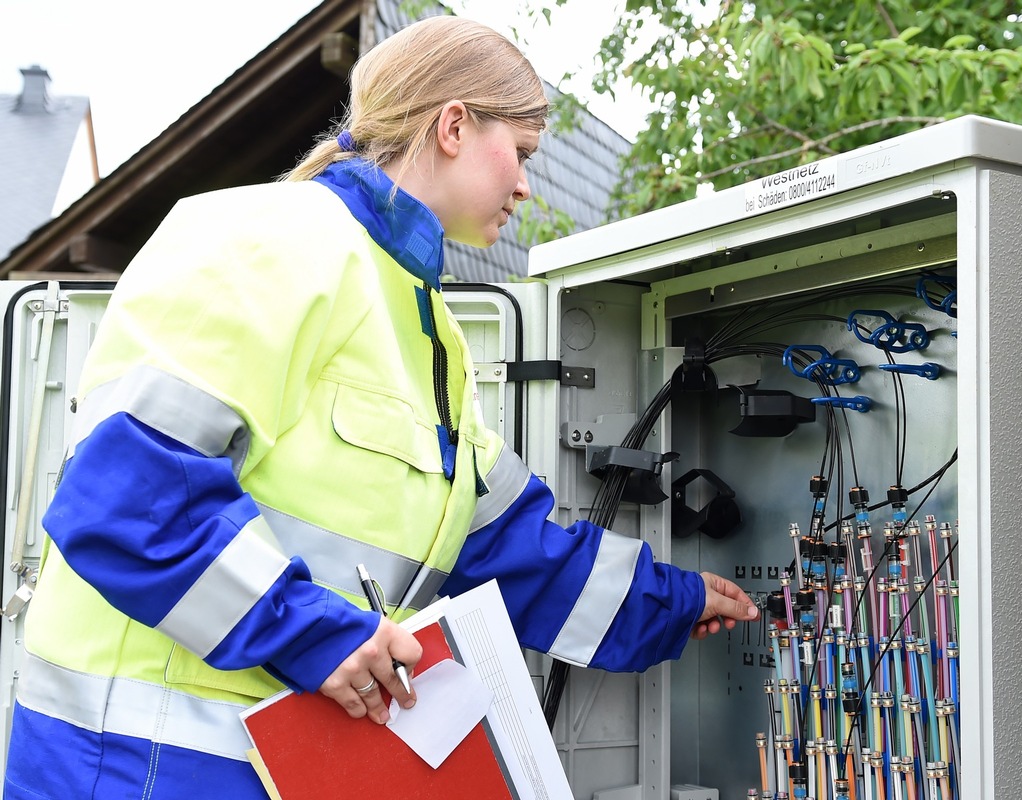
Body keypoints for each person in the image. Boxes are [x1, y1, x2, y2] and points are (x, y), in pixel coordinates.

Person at [2, 15, 758, 800]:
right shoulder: (266, 239)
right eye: (523, 153)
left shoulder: (432, 333)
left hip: (278, 768)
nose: (528, 185)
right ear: (454, 125)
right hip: (134, 764)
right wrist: (319, 635)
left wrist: (675, 602)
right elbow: (125, 495)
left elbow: (503, 548)